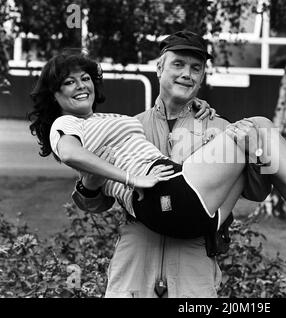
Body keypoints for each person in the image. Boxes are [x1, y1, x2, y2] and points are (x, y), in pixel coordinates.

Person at [72, 31, 272, 298]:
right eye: (178, 64)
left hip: (194, 255)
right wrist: (89, 185)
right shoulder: (129, 128)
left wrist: (257, 152)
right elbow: (94, 204)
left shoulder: (222, 131)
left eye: (196, 68)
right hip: (136, 253)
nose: (187, 74)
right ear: (159, 67)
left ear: (202, 77)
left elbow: (258, 192)